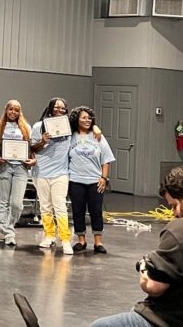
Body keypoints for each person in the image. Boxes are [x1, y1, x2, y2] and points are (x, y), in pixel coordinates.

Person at [91, 165, 183, 327]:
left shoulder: (182, 229)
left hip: (176, 320)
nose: (174, 214)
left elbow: (153, 287)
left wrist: (144, 267)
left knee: (101, 325)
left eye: (174, 205)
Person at [30, 97, 74, 255]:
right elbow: (33, 148)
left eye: (63, 108)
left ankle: (65, 239)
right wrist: (42, 141)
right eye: (56, 107)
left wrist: (95, 129)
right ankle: (49, 235)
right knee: (45, 206)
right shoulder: (38, 126)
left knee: (60, 206)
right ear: (50, 108)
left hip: (60, 173)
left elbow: (87, 123)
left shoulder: (70, 127)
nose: (60, 110)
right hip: (41, 172)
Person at [67, 105, 114, 254]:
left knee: (96, 211)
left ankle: (98, 242)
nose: (87, 120)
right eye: (84, 118)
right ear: (77, 119)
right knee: (78, 210)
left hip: (95, 180)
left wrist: (104, 178)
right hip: (75, 180)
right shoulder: (71, 136)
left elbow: (106, 160)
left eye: (89, 118)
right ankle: (81, 240)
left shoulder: (98, 136)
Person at [0, 100, 36, 247]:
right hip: (4, 166)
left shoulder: (26, 127)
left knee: (16, 204)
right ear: (6, 110)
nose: (13, 112)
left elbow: (32, 147)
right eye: (11, 109)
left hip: (21, 168)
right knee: (4, 201)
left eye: (16, 110)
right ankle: (9, 232)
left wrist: (33, 160)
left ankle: (7, 226)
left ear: (19, 112)